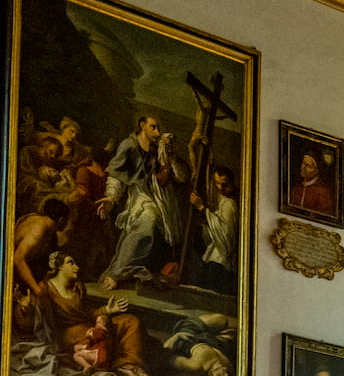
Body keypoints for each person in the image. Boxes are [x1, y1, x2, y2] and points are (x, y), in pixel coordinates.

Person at [34, 251, 164, 376]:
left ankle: (130, 368)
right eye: (70, 262)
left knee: (131, 321)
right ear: (59, 267)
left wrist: (107, 310)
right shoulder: (45, 289)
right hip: (72, 337)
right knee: (103, 341)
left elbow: (88, 314)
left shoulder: (77, 287)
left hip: (90, 327)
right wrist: (24, 309)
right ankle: (128, 369)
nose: (76, 267)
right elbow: (34, 320)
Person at [97, 115, 190, 289]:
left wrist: (172, 156)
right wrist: (111, 198)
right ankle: (118, 273)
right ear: (142, 126)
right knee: (147, 220)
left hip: (164, 203)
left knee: (160, 239)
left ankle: (138, 277)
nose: (157, 132)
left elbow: (182, 177)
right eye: (153, 127)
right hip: (141, 197)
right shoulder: (129, 146)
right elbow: (117, 177)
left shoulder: (159, 150)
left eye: (158, 128)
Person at [190, 164, 239, 292]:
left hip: (221, 260)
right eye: (217, 183)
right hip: (215, 256)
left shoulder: (230, 204)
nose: (220, 188)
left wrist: (201, 209)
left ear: (232, 183)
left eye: (224, 184)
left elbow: (225, 235)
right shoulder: (223, 199)